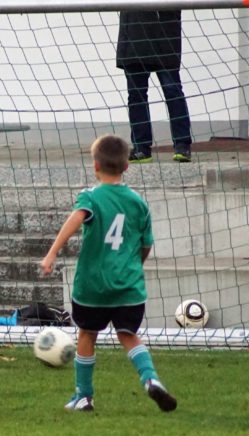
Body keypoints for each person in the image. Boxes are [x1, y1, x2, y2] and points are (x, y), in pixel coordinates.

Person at [40, 134, 177, 413]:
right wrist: (134, 265)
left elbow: (77, 217)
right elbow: (146, 244)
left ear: (95, 166)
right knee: (128, 335)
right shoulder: (138, 202)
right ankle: (150, 379)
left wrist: (53, 252)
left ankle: (84, 396)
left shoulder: (90, 197)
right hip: (128, 286)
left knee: (87, 335)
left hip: (93, 285)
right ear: (127, 166)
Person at [116, 10, 192, 164]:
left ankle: (182, 145)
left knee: (173, 92)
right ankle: (141, 148)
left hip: (165, 34)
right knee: (136, 96)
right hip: (134, 35)